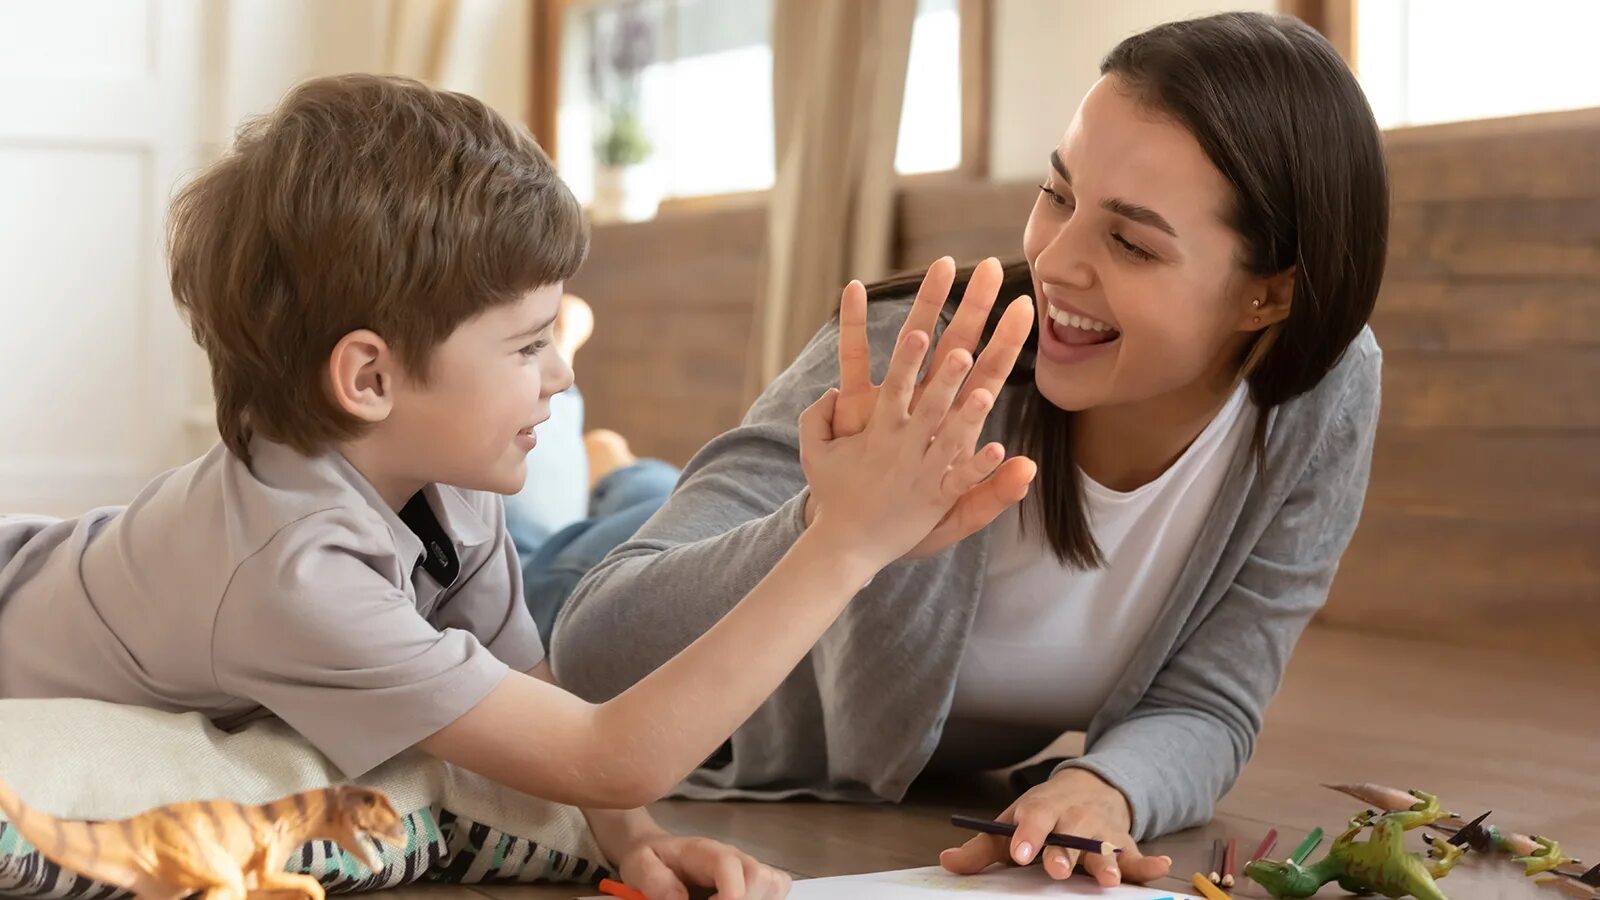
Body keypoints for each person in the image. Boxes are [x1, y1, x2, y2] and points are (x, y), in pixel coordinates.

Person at [0, 73, 1027, 900]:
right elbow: (608, 753)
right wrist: (842, 547)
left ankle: (605, 463)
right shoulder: (294, 574)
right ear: (369, 377)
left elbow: (545, 700)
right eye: (531, 345)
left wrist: (633, 844)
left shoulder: (449, 483)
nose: (563, 372)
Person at [551, 11, 1388, 889]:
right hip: (547, 596)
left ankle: (613, 466)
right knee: (520, 526)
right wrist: (836, 528)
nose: (1056, 260)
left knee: (610, 485)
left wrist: (1108, 786)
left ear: (1269, 298)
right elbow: (594, 650)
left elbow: (1212, 703)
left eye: (1132, 242)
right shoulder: (908, 359)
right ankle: (584, 432)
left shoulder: (1317, 397)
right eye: (1058, 195)